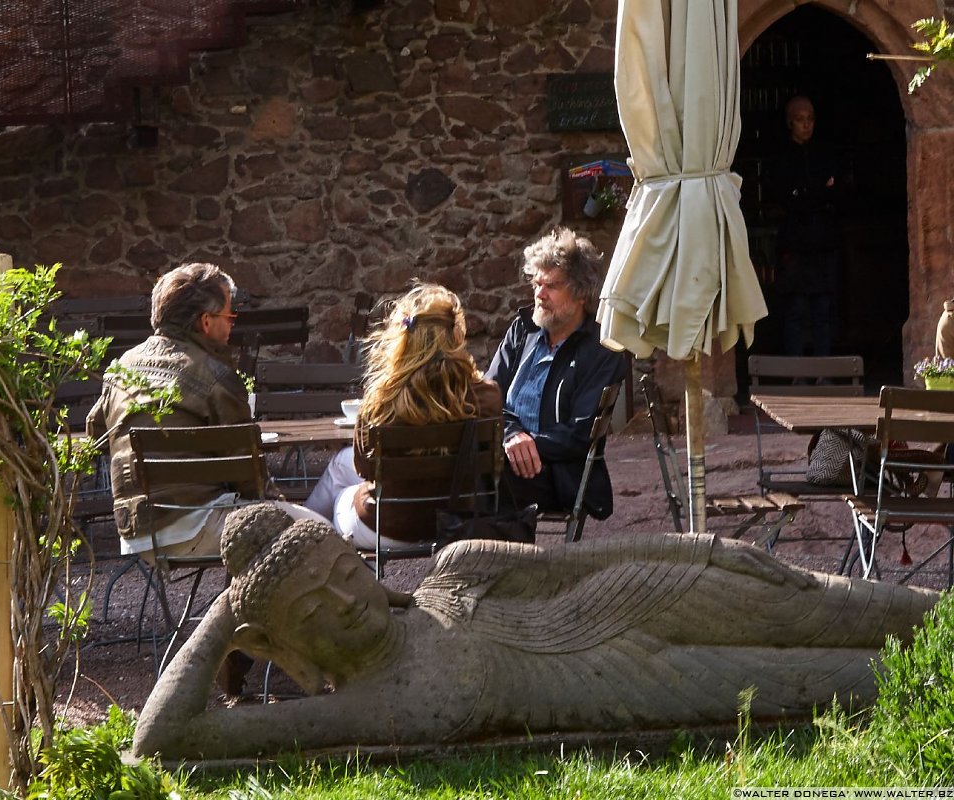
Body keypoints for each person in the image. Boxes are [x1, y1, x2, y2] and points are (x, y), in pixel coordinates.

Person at [130, 503, 939, 761]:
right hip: (632, 684)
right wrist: (226, 621)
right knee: (861, 674)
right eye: (314, 614)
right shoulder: (384, 700)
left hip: (648, 592)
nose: (347, 605)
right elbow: (162, 740)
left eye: (346, 574)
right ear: (287, 647)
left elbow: (578, 561)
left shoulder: (453, 569)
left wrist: (703, 547)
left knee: (843, 604)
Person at [86, 262, 323, 562]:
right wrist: (280, 504)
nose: (232, 324)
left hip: (136, 533)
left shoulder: (121, 367)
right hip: (201, 527)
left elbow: (96, 435)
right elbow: (249, 475)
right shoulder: (215, 376)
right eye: (230, 316)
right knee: (320, 535)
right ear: (206, 322)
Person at [302, 283, 502, 549]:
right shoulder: (487, 396)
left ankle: (300, 540)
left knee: (342, 489)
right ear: (456, 334)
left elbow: (365, 469)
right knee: (341, 464)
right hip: (461, 525)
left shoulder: (380, 400)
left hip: (386, 529)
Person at [484, 227, 627, 518]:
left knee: (477, 480)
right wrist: (512, 435)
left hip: (558, 474)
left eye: (551, 286)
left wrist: (530, 444)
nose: (539, 294)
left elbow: (580, 432)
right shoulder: (523, 330)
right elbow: (487, 396)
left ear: (580, 294)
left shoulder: (603, 348)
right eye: (536, 283)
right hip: (504, 453)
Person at [771, 95, 841, 357]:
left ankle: (824, 370)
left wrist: (806, 194)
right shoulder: (783, 158)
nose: (806, 125)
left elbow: (835, 193)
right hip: (795, 244)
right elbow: (785, 197)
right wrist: (817, 193)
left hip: (823, 243)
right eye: (800, 120)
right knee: (796, 309)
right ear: (790, 123)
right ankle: (796, 371)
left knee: (823, 309)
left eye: (810, 119)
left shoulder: (824, 153)